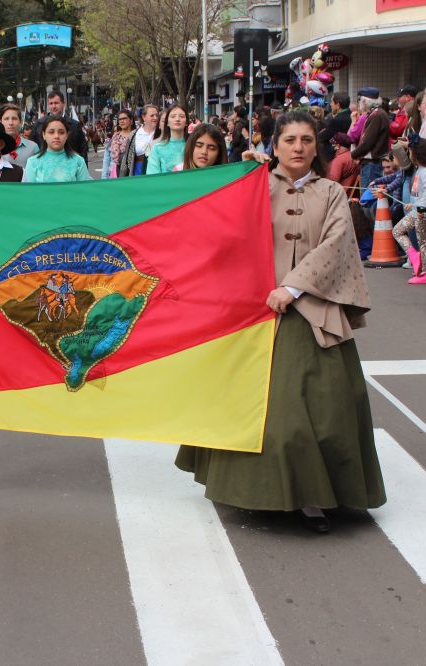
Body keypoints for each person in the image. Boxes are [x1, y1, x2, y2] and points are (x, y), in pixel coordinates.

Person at [174, 110, 385, 534]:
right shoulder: (252, 185)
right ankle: (260, 490)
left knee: (326, 408)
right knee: (260, 405)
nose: (299, 147)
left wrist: (293, 288)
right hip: (254, 311)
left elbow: (337, 244)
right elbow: (218, 230)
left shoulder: (331, 192)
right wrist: (240, 178)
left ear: (316, 147)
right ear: (275, 145)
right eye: (289, 139)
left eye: (307, 140)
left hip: (312, 307)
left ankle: (316, 495)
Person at [391, 139, 426, 284]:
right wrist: (413, 204)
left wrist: (420, 206)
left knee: (420, 240)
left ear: (417, 154)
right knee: (411, 237)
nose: (410, 154)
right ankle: (418, 260)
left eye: (411, 151)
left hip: (424, 213)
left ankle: (425, 271)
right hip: (419, 211)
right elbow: (421, 192)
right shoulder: (422, 169)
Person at [23, 115, 92, 183]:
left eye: (61, 132)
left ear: (67, 135)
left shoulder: (78, 162)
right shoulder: (32, 162)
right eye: (51, 132)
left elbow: (84, 190)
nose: (56, 136)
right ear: (44, 135)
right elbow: (29, 192)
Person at [350, 90, 391, 191]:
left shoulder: (376, 115)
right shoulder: (377, 113)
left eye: (360, 101)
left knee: (368, 198)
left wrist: (353, 154)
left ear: (365, 102)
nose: (359, 104)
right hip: (373, 162)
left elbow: (367, 142)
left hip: (372, 163)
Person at [33, 90, 88, 161]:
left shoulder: (75, 125)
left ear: (63, 104)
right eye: (51, 103)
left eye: (56, 103)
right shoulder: (38, 125)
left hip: (69, 166)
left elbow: (82, 149)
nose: (53, 106)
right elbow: (34, 149)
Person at [146, 104, 189, 174]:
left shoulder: (194, 146)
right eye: (173, 116)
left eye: (181, 116)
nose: (177, 119)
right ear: (167, 123)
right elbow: (152, 176)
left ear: (186, 122)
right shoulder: (157, 148)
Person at [118, 104, 159, 176]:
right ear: (144, 117)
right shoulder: (134, 135)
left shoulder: (162, 133)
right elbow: (127, 159)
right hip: (138, 171)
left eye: (156, 115)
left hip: (157, 170)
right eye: (152, 115)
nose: (155, 118)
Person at [0, 103, 38, 169]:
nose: (10, 123)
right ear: (0, 122)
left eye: (14, 118)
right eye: (6, 119)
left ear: (20, 122)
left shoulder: (33, 147)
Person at [319, 92, 353, 160]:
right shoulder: (351, 116)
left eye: (332, 102)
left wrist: (321, 133)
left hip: (336, 155)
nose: (330, 104)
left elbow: (322, 137)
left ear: (338, 105)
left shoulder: (337, 120)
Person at [108, 110, 135, 178]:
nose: (122, 121)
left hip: (134, 170)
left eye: (124, 118)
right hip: (117, 171)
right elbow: (109, 158)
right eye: (120, 119)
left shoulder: (136, 135)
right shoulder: (115, 136)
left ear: (131, 120)